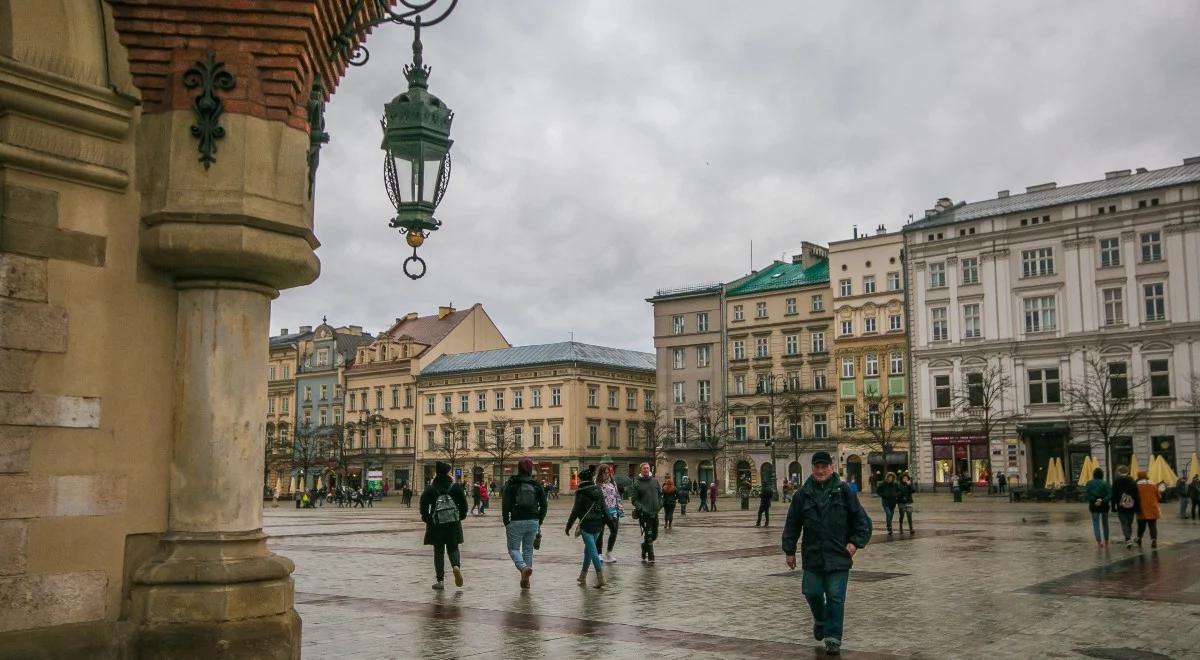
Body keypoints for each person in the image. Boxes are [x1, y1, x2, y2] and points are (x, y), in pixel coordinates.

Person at [782, 451, 873, 657]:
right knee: (811, 592)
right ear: (812, 468)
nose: (821, 470)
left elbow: (863, 522)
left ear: (832, 468)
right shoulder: (802, 494)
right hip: (813, 554)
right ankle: (821, 619)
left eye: (825, 467)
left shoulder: (844, 491)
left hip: (839, 554)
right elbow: (792, 524)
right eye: (817, 467)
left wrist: (855, 543)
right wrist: (789, 550)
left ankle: (833, 638)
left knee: (835, 598)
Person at [419, 461, 468, 590]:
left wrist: (428, 519)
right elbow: (464, 505)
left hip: (436, 524)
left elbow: (423, 505)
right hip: (453, 523)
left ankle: (440, 581)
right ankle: (456, 566)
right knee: (453, 548)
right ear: (447, 472)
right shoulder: (455, 487)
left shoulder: (430, 488)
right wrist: (460, 517)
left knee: (439, 552)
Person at [502, 457, 547, 590]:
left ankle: (523, 568)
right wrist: (539, 520)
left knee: (513, 549)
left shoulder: (512, 484)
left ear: (519, 468)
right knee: (528, 550)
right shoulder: (536, 484)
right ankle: (526, 580)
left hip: (516, 520)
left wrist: (506, 522)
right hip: (533, 521)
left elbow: (505, 505)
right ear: (530, 469)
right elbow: (544, 505)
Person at [565, 467, 614, 588]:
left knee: (593, 552)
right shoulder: (598, 489)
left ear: (581, 480)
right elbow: (605, 509)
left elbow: (575, 511)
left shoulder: (581, 493)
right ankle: (582, 576)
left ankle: (600, 578)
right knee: (588, 551)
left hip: (586, 526)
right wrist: (611, 525)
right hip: (598, 526)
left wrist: (568, 526)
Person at [630, 462, 663, 563]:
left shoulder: (654, 481)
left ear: (650, 469)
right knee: (648, 535)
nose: (646, 470)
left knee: (654, 535)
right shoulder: (637, 483)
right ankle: (651, 556)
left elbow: (660, 494)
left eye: (648, 468)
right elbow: (634, 499)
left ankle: (644, 547)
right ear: (641, 470)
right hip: (644, 514)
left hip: (655, 512)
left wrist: (660, 504)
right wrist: (640, 507)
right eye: (644, 468)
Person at [594, 465, 624, 563]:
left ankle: (609, 553)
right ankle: (599, 554)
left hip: (613, 511)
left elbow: (617, 496)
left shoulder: (613, 482)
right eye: (604, 473)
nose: (606, 475)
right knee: (600, 533)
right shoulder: (596, 483)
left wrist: (619, 509)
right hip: (602, 511)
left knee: (614, 531)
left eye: (608, 473)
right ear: (600, 473)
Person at [1111, 465, 1140, 547]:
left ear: (1119, 472)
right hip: (1131, 505)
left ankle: (1128, 539)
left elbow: (1114, 495)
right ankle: (1129, 537)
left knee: (1124, 523)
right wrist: (1137, 506)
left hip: (1121, 506)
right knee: (1129, 522)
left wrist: (1113, 507)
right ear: (1127, 472)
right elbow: (1137, 495)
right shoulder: (1132, 481)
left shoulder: (1116, 482)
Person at [1084, 467, 1111, 548]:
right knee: (1105, 523)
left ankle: (1099, 542)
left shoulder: (1089, 483)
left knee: (1096, 524)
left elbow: (1086, 494)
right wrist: (1102, 500)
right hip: (1104, 505)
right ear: (1102, 475)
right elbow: (1110, 494)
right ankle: (1106, 540)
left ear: (1094, 475)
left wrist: (1094, 500)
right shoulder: (1105, 483)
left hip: (1094, 505)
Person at [1135, 470, 1160, 549]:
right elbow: (1159, 496)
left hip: (1141, 508)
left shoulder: (1136, 486)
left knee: (1141, 526)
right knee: (1152, 526)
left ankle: (1139, 538)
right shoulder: (1153, 484)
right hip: (1152, 508)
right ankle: (1153, 540)